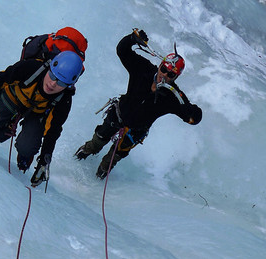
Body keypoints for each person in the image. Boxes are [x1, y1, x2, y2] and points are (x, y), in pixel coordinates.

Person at [74, 29, 202, 179]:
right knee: (96, 142)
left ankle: (96, 181)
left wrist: (191, 111)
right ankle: (76, 160)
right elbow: (122, 50)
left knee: (111, 160)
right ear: (160, 65)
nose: (165, 75)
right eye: (164, 69)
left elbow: (193, 119)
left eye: (171, 74)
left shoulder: (173, 96)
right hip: (118, 115)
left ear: (175, 77)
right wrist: (132, 39)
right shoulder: (143, 69)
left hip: (135, 132)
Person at [0, 50, 84, 187]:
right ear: (49, 68)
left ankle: (25, 156)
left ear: (69, 86)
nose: (53, 84)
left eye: (61, 82)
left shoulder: (63, 100)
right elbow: (0, 80)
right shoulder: (31, 68)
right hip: (13, 98)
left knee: (28, 145)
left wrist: (44, 161)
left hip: (37, 112)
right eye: (53, 76)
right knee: (1, 133)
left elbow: (52, 131)